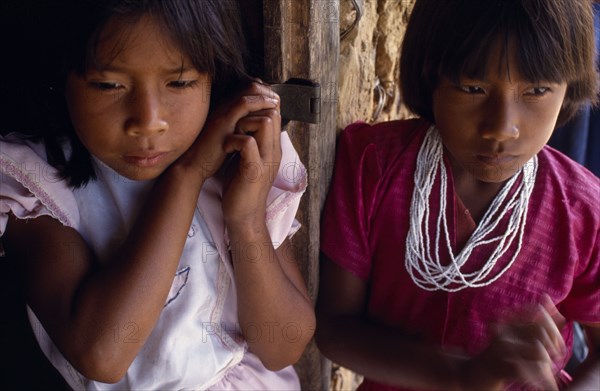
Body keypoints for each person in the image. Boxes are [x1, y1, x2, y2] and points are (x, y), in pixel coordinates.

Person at [0, 0, 315, 389]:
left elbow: (282, 347)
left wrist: (247, 221)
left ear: (214, 77)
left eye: (179, 82)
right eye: (108, 85)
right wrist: (187, 176)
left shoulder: (239, 164)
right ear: (61, 76)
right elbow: (103, 354)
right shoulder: (36, 188)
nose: (148, 121)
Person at [316, 1, 599, 390]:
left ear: (569, 89)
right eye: (472, 87)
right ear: (429, 75)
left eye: (536, 90)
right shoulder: (374, 166)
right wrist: (459, 375)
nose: (502, 127)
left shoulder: (583, 210)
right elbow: (335, 326)